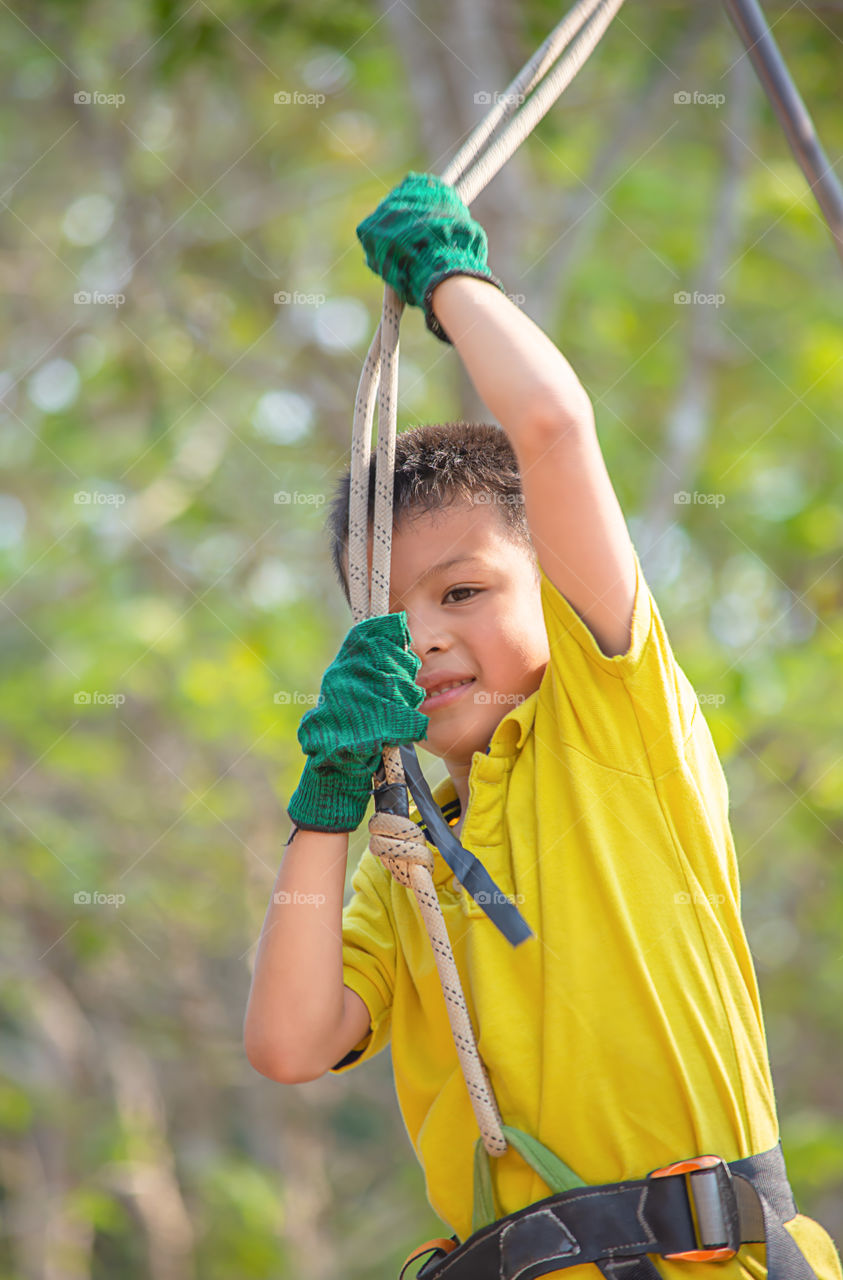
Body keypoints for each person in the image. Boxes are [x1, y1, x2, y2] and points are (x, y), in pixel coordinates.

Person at [244, 174, 842, 1279]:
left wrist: (452, 281)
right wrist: (327, 799)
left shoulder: (610, 717)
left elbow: (555, 428)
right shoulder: (403, 862)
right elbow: (289, 1040)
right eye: (389, 617)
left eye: (462, 593)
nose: (423, 637)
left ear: (549, 597)